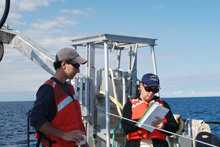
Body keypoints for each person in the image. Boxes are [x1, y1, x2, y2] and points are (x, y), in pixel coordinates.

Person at [30, 47, 89, 147]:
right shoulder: (48, 89)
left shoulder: (69, 87)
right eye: (76, 65)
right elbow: (36, 119)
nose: (78, 70)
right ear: (64, 64)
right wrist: (63, 135)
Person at [121, 73, 179, 147]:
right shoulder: (130, 104)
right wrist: (142, 122)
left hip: (159, 144)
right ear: (141, 85)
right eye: (148, 89)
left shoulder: (163, 105)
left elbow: (174, 127)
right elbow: (125, 127)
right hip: (135, 143)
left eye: (155, 90)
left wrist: (163, 126)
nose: (151, 93)